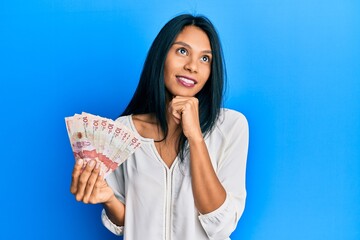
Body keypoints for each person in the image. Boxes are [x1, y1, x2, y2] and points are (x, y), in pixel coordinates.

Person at [70, 14, 249, 240]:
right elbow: (128, 224)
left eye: (205, 59)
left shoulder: (231, 126)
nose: (192, 66)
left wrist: (195, 137)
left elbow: (221, 225)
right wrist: (109, 200)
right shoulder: (124, 131)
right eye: (182, 51)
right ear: (161, 55)